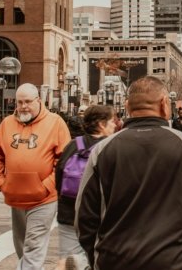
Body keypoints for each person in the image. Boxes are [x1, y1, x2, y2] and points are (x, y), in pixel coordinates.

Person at [76, 76, 182, 270]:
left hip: (115, 261)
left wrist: (97, 259)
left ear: (127, 106)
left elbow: (84, 217)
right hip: (176, 262)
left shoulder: (102, 151)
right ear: (164, 104)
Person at [0, 83, 71, 270]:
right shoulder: (7, 123)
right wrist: (1, 183)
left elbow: (64, 160)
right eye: (20, 102)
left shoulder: (55, 122)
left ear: (39, 101)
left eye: (28, 101)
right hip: (15, 196)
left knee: (34, 246)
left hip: (43, 199)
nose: (24, 106)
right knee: (22, 247)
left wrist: (46, 186)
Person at [55, 105, 117, 270]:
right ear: (101, 124)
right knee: (98, 257)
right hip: (99, 213)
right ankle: (82, 263)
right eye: (112, 121)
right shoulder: (111, 147)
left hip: (68, 210)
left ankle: (74, 262)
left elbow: (59, 175)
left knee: (67, 256)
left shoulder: (73, 145)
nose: (115, 125)